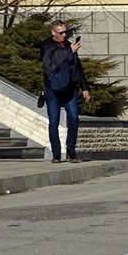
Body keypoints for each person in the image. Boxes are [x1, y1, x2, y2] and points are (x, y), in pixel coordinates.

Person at [40, 20, 91, 163]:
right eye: (61, 32)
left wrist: (85, 88)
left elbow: (78, 67)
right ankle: (56, 154)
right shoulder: (46, 46)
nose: (64, 35)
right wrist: (70, 52)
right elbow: (52, 63)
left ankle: (71, 151)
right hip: (53, 88)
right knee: (54, 121)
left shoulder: (69, 45)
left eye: (65, 32)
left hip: (70, 88)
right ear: (53, 32)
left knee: (74, 118)